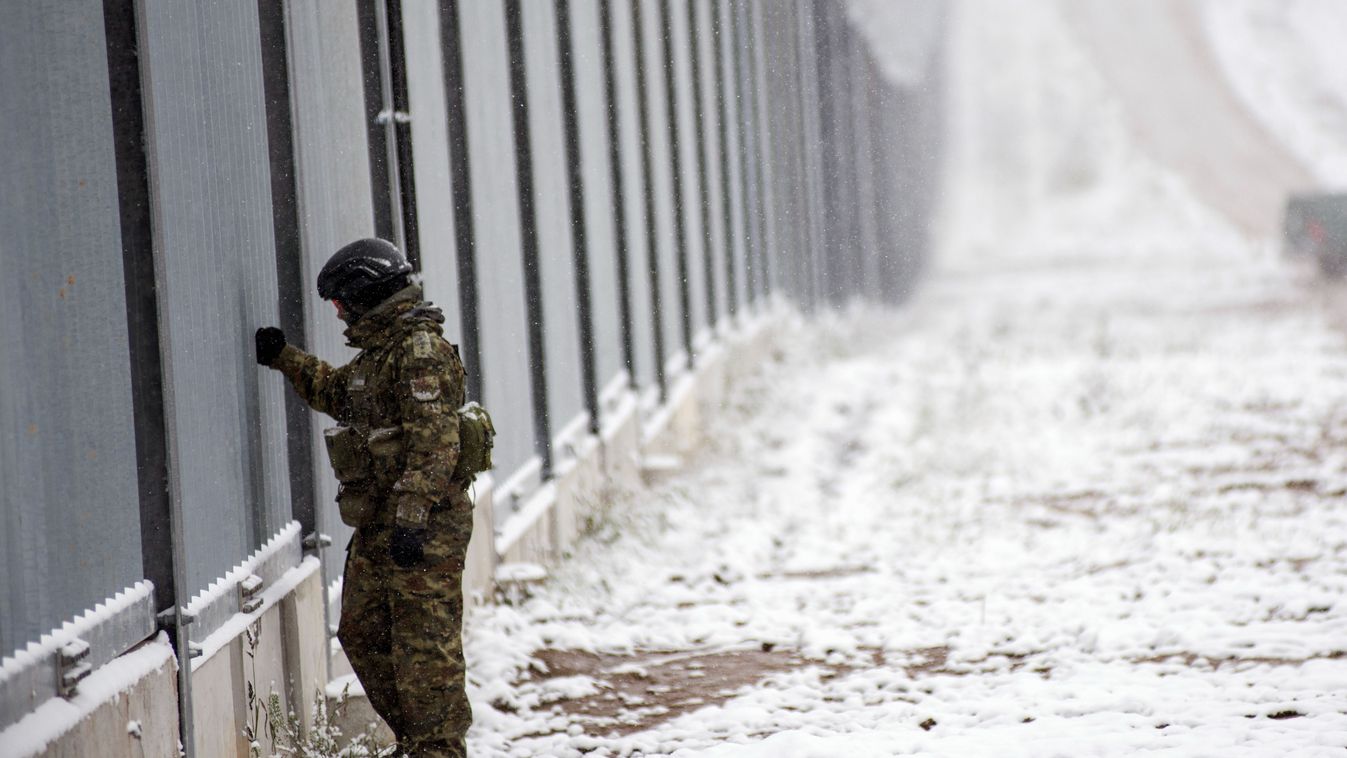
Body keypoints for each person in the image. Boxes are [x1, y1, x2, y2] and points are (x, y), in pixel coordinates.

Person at [255, 238, 473, 758]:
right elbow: (339, 393)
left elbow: (435, 445)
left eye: (340, 302)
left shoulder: (419, 353)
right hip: (382, 524)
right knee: (362, 631)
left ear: (364, 294)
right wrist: (285, 359)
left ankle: (437, 748)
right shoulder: (381, 354)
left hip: (423, 528)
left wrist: (414, 518)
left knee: (425, 649)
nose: (338, 314)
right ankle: (417, 742)